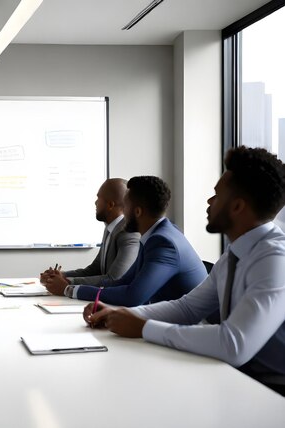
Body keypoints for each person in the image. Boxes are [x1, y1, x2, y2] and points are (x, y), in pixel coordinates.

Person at [87, 146, 285, 396]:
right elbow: (187, 308)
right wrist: (124, 313)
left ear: (237, 207)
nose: (209, 201)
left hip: (272, 390)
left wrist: (144, 327)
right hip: (237, 378)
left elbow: (234, 344)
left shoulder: (275, 258)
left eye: (216, 195)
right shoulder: (235, 254)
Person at [62, 175, 207, 306]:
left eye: (125, 206)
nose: (121, 213)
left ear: (137, 212)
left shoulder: (163, 243)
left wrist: (72, 290)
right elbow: (124, 281)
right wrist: (73, 288)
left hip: (195, 328)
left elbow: (133, 296)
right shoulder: (155, 236)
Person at [40, 178, 140, 294]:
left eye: (99, 198)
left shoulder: (128, 234)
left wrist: (66, 282)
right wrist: (60, 275)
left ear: (110, 205)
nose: (95, 202)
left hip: (117, 304)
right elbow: (94, 269)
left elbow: (115, 278)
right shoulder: (110, 229)